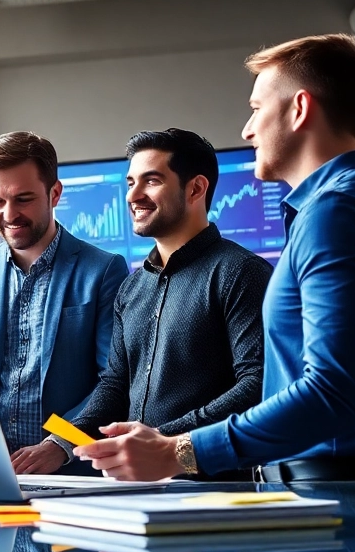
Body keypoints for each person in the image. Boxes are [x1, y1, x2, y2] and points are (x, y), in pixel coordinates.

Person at [76, 34, 355, 482]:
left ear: (300, 109)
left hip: (343, 504)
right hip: (341, 490)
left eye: (256, 109)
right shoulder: (354, 206)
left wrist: (177, 451)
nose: (247, 130)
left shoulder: (338, 214)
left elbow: (333, 394)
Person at [68, 129, 270, 480]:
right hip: (136, 486)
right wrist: (63, 440)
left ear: (195, 189)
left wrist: (164, 440)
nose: (133, 195)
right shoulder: (131, 288)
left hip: (213, 488)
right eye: (131, 182)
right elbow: (116, 384)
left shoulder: (242, 273)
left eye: (152, 181)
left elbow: (258, 383)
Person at [0, 131, 130, 475]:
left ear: (55, 194)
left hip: (72, 474)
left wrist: (60, 444)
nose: (9, 214)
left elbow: (114, 381)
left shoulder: (103, 270)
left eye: (23, 199)